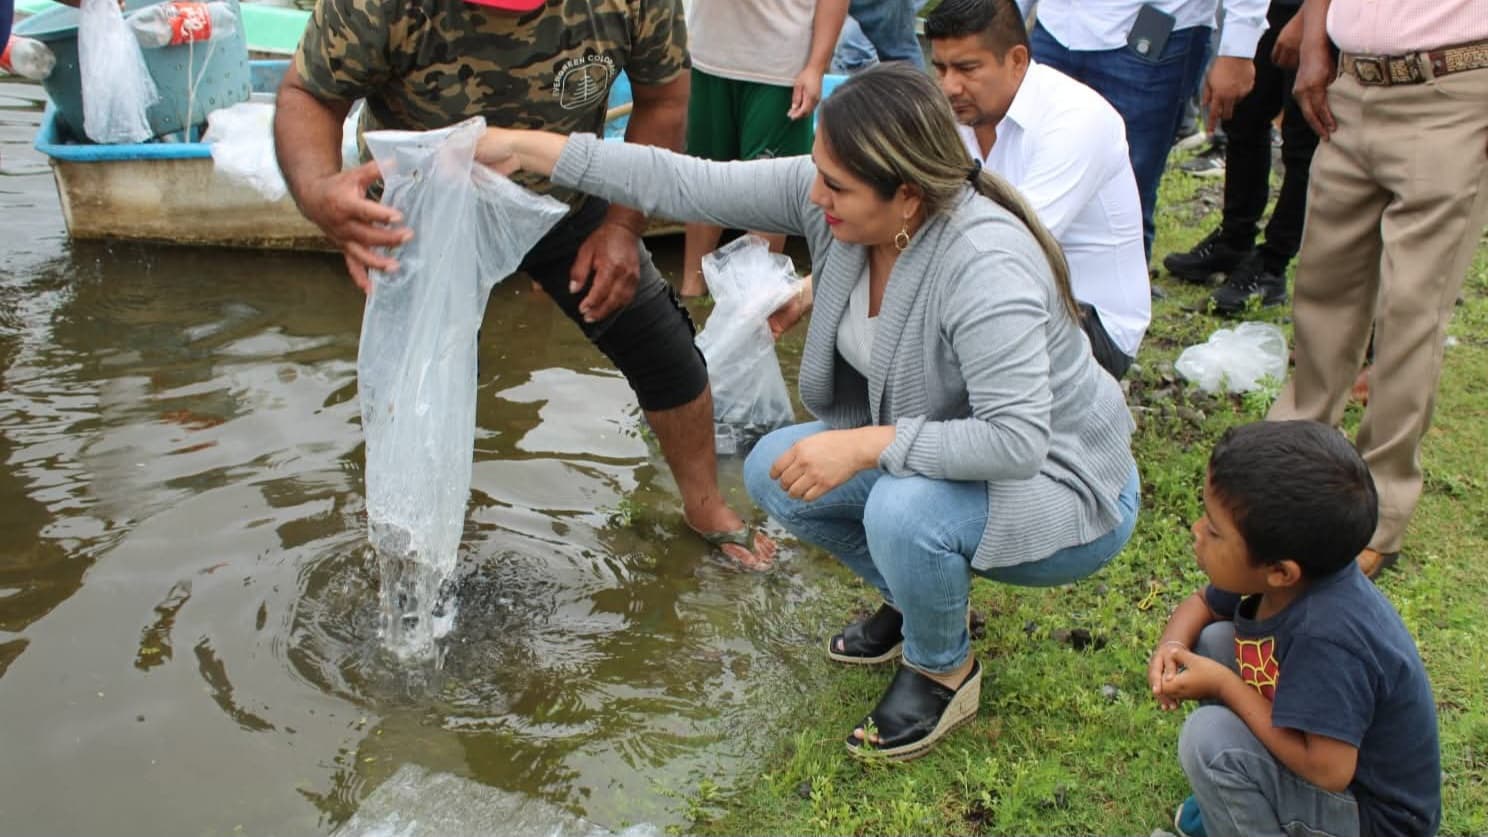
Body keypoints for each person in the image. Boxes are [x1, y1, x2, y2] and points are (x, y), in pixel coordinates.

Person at [472, 63, 1140, 760]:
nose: (814, 194)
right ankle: (924, 599)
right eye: (818, 171)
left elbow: (1015, 441)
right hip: (956, 456)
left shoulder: (986, 263)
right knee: (771, 470)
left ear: (907, 195)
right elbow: (682, 179)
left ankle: (943, 666)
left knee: (900, 511)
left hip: (1067, 487)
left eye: (836, 187)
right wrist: (523, 146)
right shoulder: (849, 204)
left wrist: (862, 446)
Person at [272, 0, 775, 569]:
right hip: (425, 207)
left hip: (566, 199)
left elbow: (664, 99)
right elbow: (308, 94)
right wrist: (319, 193)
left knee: (664, 347)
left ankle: (705, 507)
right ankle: (409, 548)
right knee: (414, 382)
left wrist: (620, 224)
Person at [1268, 0, 1488, 578]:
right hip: (1354, 83)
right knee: (1322, 288)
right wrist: (1316, 44)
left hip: (1452, 86)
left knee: (1411, 310)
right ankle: (1289, 464)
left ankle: (1381, 510)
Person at [1149, 420, 1440, 837]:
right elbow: (1201, 605)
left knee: (1209, 739)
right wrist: (1172, 645)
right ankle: (1231, 810)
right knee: (1213, 642)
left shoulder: (1330, 637)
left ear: (1281, 572)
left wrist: (1225, 686)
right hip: (1334, 777)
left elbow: (1328, 771)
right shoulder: (1299, 574)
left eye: (1214, 530)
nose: (1197, 531)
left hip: (1371, 820)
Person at [925, 0, 1150, 379]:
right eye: (941, 68)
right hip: (1009, 292)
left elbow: (1007, 251)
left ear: (1016, 60)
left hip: (1091, 324)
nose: (949, 86)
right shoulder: (960, 114)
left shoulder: (1076, 120)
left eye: (966, 68)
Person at [1019, 0, 1269, 258]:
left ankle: (1111, 295)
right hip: (1055, 26)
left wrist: (1239, 48)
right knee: (1029, 173)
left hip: (1156, 33)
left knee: (1126, 198)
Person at [679, 0, 848, 298]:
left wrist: (816, 67)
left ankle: (754, 303)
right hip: (706, 55)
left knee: (769, 188)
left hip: (778, 65)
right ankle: (691, 291)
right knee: (702, 174)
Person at [1163, 0, 1318, 317]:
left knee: (1301, 141)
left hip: (1317, 13)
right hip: (1272, 8)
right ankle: (1233, 241)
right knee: (1243, 114)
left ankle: (1272, 264)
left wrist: (1306, 19)